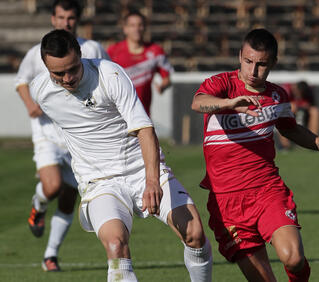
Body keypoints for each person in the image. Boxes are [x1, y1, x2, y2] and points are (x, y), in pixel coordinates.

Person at [30, 29, 212, 282]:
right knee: (116, 245)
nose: (68, 78)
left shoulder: (109, 74)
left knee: (194, 233)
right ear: (46, 68)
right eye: (58, 73)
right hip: (100, 182)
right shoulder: (40, 91)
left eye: (73, 68)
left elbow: (144, 128)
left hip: (142, 171)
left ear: (81, 55)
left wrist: (151, 180)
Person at [191, 28, 319, 281]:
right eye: (248, 61)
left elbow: (291, 129)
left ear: (273, 63)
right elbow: (198, 103)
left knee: (294, 258)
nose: (253, 71)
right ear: (240, 56)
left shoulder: (276, 96)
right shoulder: (221, 84)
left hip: (267, 190)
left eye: (261, 64)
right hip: (226, 201)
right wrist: (228, 103)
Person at [15, 0, 109, 272]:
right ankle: (38, 202)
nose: (65, 22)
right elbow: (21, 81)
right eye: (60, 17)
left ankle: (51, 255)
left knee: (69, 198)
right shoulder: (38, 52)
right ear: (53, 19)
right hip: (47, 131)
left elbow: (107, 78)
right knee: (53, 185)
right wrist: (30, 104)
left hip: (79, 136)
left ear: (77, 20)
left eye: (70, 18)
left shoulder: (91, 48)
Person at [107, 10, 173, 116]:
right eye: (132, 25)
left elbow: (167, 79)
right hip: (117, 114)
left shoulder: (156, 51)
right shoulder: (113, 51)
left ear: (145, 28)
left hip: (143, 114)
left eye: (140, 25)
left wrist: (162, 86)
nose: (137, 29)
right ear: (125, 29)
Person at [278, 81, 319, 150]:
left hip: (304, 112)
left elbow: (310, 105)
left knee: (315, 111)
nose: (299, 96)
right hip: (287, 112)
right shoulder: (286, 89)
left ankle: (313, 143)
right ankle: (285, 145)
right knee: (288, 109)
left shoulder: (308, 91)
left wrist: (301, 105)